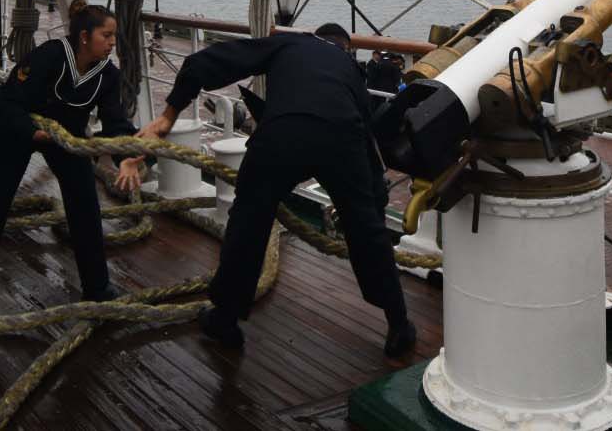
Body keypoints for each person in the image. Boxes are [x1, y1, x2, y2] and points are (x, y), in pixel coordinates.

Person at [138, 22, 414, 357]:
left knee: (249, 222)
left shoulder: (291, 44)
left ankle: (225, 319)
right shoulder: (351, 70)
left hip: (283, 132)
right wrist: (373, 201)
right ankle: (398, 324)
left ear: (315, 37)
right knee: (366, 232)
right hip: (342, 139)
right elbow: (367, 139)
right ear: (346, 48)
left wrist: (169, 114)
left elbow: (211, 61)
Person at [0, 1, 145, 313]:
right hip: (17, 133)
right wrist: (33, 132)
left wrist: (129, 156)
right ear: (84, 37)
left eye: (113, 37)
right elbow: (7, 103)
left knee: (85, 207)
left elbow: (115, 122)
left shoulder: (108, 75)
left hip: (66, 139)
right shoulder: (49, 56)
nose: (112, 43)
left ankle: (97, 288)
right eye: (106, 36)